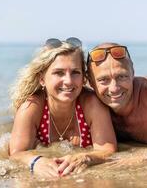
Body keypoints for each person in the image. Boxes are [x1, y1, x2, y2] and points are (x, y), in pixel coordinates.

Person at [9, 38, 117, 177]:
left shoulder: (91, 104)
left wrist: (85, 158)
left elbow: (107, 151)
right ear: (42, 78)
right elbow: (16, 153)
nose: (68, 81)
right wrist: (36, 161)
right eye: (59, 73)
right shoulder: (31, 107)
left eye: (75, 72)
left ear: (83, 77)